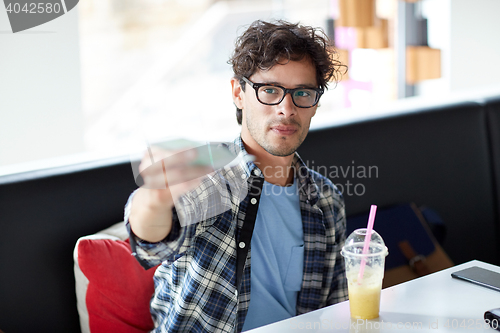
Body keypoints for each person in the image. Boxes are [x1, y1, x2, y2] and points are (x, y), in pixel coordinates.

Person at [125, 19, 348, 333]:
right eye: (269, 90)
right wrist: (154, 199)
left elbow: (336, 310)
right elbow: (151, 244)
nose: (286, 109)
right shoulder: (213, 172)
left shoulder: (326, 200)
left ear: (315, 103)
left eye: (302, 93)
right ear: (238, 93)